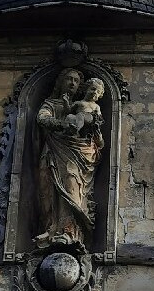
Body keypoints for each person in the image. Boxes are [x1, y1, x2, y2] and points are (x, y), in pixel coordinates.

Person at [35, 69, 106, 252]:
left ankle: (71, 232)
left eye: (76, 80)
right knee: (47, 189)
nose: (72, 83)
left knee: (71, 185)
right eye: (68, 79)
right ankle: (51, 228)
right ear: (60, 81)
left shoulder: (88, 107)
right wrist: (61, 125)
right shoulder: (53, 104)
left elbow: (96, 136)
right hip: (53, 149)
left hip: (78, 152)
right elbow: (42, 118)